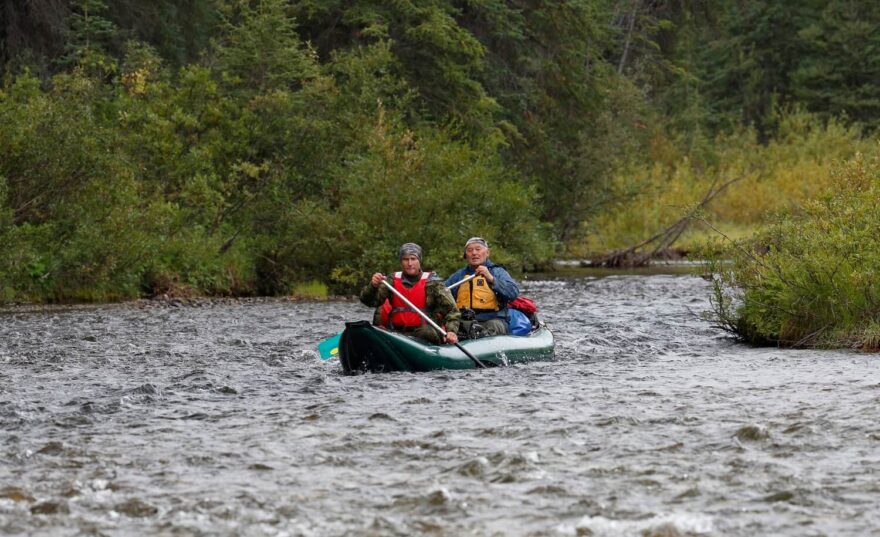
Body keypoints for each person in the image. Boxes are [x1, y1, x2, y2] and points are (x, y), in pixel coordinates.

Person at [359, 243, 460, 345]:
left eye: (413, 259)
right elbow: (369, 301)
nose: (410, 263)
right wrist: (373, 286)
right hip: (396, 332)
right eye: (405, 259)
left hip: (425, 333)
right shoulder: (391, 280)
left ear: (419, 261)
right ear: (401, 261)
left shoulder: (433, 283)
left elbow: (452, 310)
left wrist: (451, 331)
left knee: (426, 332)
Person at [445, 237, 520, 336]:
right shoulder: (458, 276)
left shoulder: (497, 272)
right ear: (466, 255)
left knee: (492, 327)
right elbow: (443, 294)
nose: (474, 253)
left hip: (493, 319)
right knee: (452, 328)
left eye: (478, 249)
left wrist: (491, 279)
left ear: (487, 252)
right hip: (465, 321)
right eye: (470, 250)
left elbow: (513, 293)